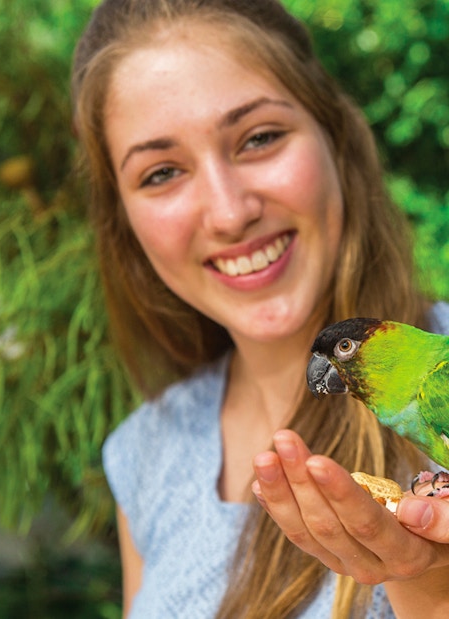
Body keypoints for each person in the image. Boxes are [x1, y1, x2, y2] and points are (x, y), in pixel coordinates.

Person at [71, 0, 449, 617]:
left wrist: (431, 592)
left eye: (260, 137)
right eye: (162, 172)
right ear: (122, 222)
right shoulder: (144, 451)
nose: (229, 212)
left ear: (337, 137)